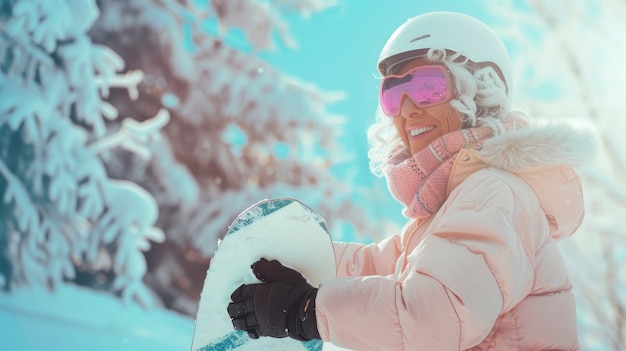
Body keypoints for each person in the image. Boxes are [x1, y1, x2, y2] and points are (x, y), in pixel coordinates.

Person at [227, 11, 594, 350]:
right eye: (392, 92)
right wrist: (302, 255)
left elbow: (432, 317)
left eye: (427, 87)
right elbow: (381, 266)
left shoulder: (492, 192)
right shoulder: (449, 211)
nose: (406, 109)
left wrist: (306, 311)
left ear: (479, 94)